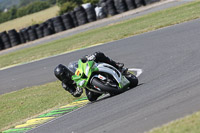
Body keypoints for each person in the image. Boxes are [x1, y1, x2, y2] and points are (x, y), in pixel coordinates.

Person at [54, 52, 124, 97]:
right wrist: (77, 92)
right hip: (87, 84)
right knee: (91, 98)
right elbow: (73, 93)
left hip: (89, 72)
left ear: (66, 70)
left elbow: (81, 61)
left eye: (64, 74)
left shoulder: (72, 66)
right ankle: (105, 89)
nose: (64, 77)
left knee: (98, 54)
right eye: (61, 77)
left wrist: (87, 57)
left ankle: (116, 64)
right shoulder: (65, 85)